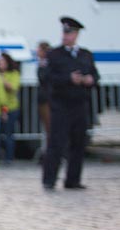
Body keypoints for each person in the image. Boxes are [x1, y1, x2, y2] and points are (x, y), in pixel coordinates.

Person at [42, 16, 100, 190]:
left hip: (80, 105)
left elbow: (95, 75)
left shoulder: (85, 55)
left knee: (78, 144)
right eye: (64, 32)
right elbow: (46, 77)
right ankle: (49, 179)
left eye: (70, 33)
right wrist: (68, 79)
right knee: (56, 143)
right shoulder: (54, 54)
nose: (66, 36)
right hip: (61, 105)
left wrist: (90, 79)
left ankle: (73, 180)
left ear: (76, 35)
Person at [0, 52, 21, 164]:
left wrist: (2, 79)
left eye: (2, 62)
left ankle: (9, 158)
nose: (0, 64)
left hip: (10, 108)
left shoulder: (14, 74)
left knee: (8, 134)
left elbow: (13, 87)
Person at [36, 41, 52, 154]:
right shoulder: (42, 63)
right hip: (44, 99)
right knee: (47, 128)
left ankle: (51, 152)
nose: (37, 51)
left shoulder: (47, 64)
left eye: (39, 49)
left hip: (47, 99)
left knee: (49, 127)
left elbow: (44, 78)